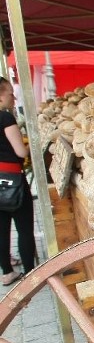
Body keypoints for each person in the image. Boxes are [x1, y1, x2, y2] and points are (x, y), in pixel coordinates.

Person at [0, 76, 36, 286]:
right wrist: (30, 145)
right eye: (9, 93)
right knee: (24, 229)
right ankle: (31, 274)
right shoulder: (5, 118)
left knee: (2, 230)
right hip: (12, 182)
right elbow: (20, 152)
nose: (13, 98)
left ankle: (7, 273)